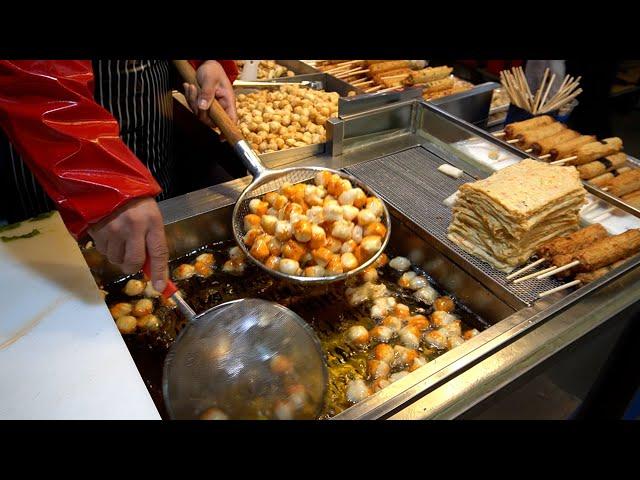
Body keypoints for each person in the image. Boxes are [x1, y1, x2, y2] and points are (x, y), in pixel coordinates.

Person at [0, 60, 238, 292]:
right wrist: (102, 180)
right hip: (56, 140)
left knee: (153, 240)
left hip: (151, 123)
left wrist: (207, 62)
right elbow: (36, 79)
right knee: (53, 278)